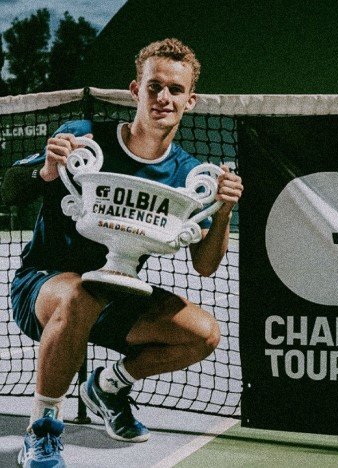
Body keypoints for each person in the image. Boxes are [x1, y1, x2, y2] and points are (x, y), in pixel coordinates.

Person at [1, 37, 243, 468]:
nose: (164, 97)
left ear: (190, 100)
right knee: (82, 292)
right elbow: (9, 192)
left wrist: (223, 211)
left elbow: (205, 266)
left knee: (203, 333)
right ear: (136, 90)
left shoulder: (189, 175)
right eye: (154, 86)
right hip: (43, 287)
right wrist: (47, 170)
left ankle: (108, 386)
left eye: (175, 89)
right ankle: (42, 429)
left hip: (117, 294)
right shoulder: (83, 138)